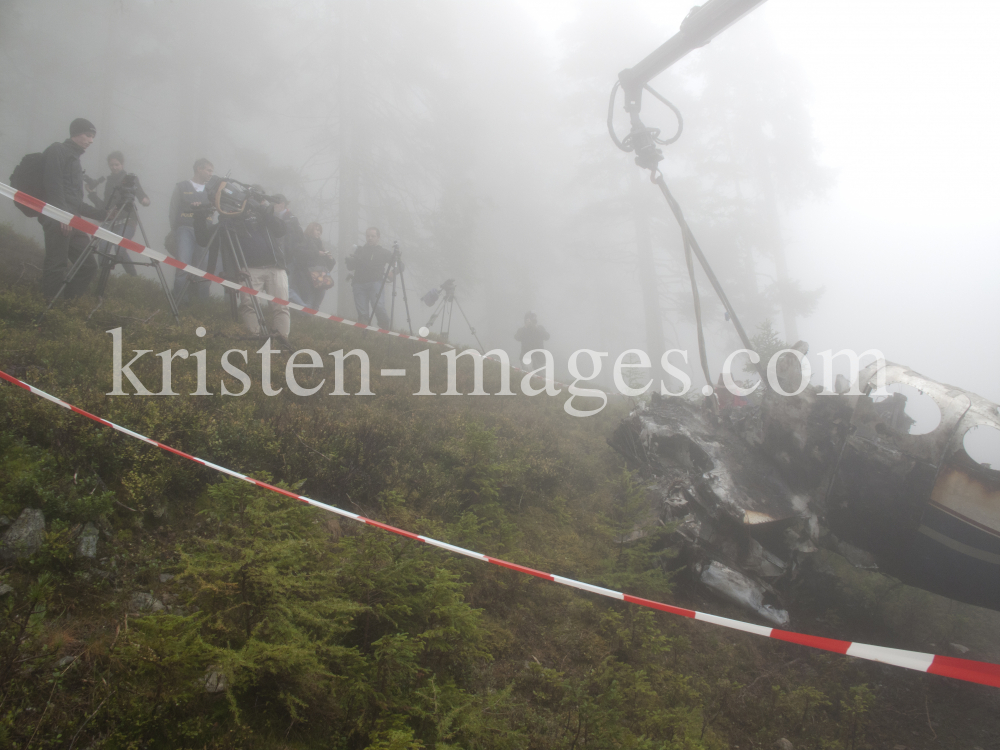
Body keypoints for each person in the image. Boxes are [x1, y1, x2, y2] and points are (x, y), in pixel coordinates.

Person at [193, 198, 289, 344]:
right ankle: (256, 339)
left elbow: (281, 229)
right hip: (247, 269)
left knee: (281, 306)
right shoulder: (227, 223)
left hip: (275, 267)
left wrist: (265, 211)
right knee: (248, 306)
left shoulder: (262, 216)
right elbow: (203, 239)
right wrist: (199, 216)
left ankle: (282, 341)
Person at [38, 118, 107, 300]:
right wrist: (62, 215)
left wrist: (103, 214)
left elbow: (76, 203)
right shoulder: (57, 150)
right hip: (57, 218)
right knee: (57, 264)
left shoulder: (75, 159)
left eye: (93, 137)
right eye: (88, 135)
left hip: (73, 220)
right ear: (76, 133)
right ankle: (50, 309)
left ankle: (65, 306)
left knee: (88, 266)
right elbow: (52, 184)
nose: (91, 140)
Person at [87, 150, 150, 277]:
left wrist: (145, 200)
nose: (114, 167)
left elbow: (141, 195)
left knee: (120, 249)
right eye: (112, 165)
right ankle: (102, 278)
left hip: (128, 220)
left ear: (122, 164)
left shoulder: (130, 178)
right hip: (110, 220)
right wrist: (92, 194)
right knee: (103, 247)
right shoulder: (109, 181)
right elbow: (105, 206)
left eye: (117, 164)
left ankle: (133, 280)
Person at [168, 158, 214, 304]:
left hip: (205, 232)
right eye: (208, 170)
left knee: (203, 269)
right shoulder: (181, 186)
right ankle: (180, 301)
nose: (211, 174)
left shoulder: (211, 191)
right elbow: (173, 210)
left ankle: (202, 303)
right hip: (185, 229)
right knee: (183, 266)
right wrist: (174, 231)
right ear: (198, 169)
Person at [345, 226, 392, 328]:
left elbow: (400, 265)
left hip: (376, 284)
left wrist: (393, 272)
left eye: (373, 236)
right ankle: (365, 336)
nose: (370, 238)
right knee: (362, 314)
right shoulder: (359, 250)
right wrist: (349, 261)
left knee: (379, 307)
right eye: (368, 236)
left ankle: (385, 331)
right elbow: (350, 267)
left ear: (378, 237)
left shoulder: (384, 252)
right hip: (358, 284)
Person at [296, 222, 335, 311]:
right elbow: (300, 253)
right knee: (309, 298)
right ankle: (306, 318)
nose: (319, 233)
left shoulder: (320, 243)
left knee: (318, 301)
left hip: (321, 275)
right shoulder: (305, 239)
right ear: (311, 229)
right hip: (307, 274)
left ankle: (312, 320)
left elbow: (327, 266)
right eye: (317, 230)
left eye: (320, 231)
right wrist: (317, 253)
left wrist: (330, 259)